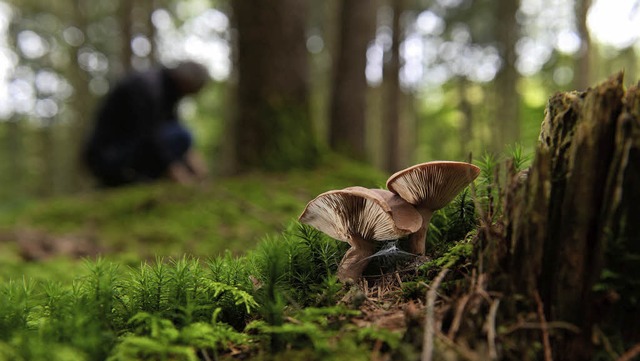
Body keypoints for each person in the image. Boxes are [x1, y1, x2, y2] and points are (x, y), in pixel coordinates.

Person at [83, 61, 210, 187]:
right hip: (108, 156)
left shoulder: (166, 91)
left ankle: (139, 176)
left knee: (181, 135)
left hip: (127, 149)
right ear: (186, 82)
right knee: (179, 136)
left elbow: (171, 125)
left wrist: (199, 170)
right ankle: (127, 177)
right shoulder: (148, 87)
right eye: (192, 91)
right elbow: (150, 136)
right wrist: (179, 176)